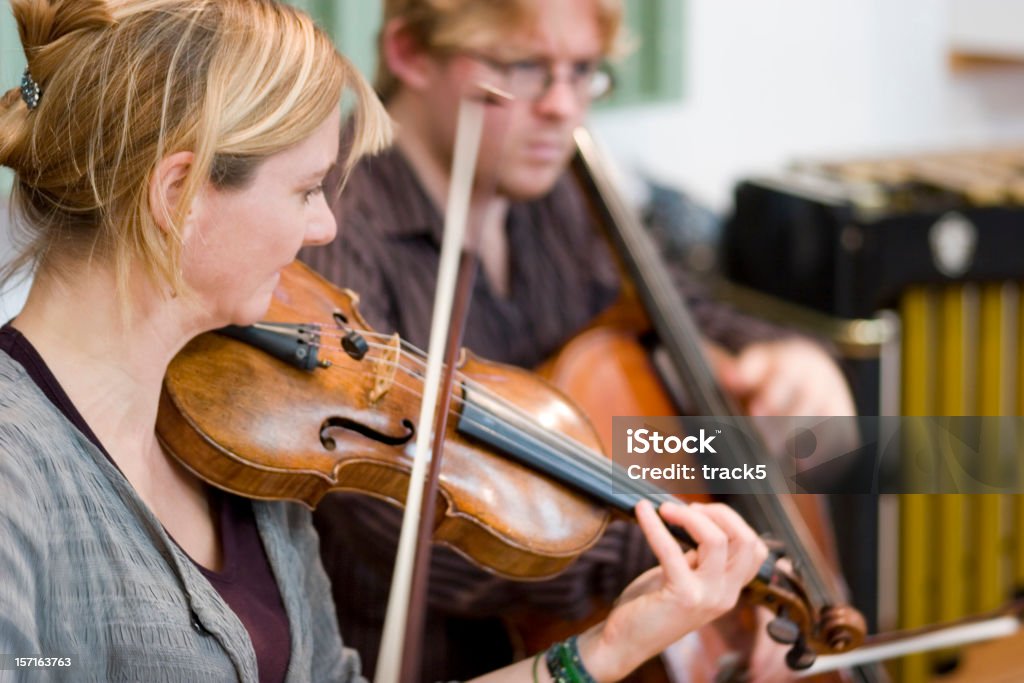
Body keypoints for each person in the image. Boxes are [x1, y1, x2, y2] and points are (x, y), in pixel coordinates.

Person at [0, 1, 769, 682]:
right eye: (304, 190)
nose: (322, 226)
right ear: (177, 193)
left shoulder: (246, 435)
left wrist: (601, 651)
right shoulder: (18, 478)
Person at [300, 0, 858, 680]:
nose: (563, 107)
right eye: (524, 68)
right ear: (411, 54)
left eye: (583, 71)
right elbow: (386, 510)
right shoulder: (328, 223)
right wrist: (680, 552)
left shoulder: (562, 194)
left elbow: (682, 310)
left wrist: (791, 356)